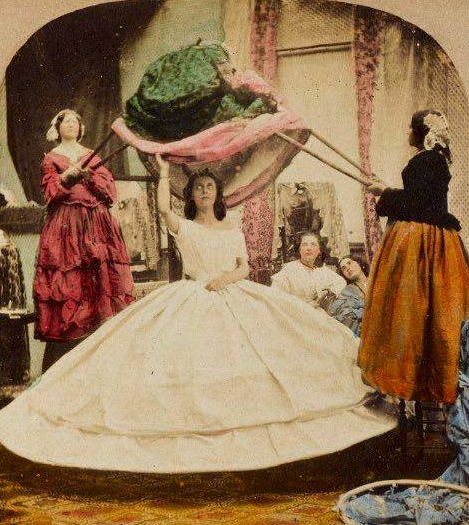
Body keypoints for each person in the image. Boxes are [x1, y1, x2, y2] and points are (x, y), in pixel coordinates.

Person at [0, 156, 395, 473]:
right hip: (193, 294)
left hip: (231, 291)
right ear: (191, 195)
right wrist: (164, 172)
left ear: (218, 194)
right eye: (199, 187)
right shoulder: (185, 227)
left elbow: (244, 267)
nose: (205, 191)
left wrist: (226, 279)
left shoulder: (232, 228)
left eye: (209, 187)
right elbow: (161, 208)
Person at [360, 109, 469, 404]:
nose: (408, 132)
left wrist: (385, 194)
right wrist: (387, 190)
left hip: (422, 243)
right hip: (431, 239)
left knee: (411, 309)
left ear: (422, 132)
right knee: (422, 310)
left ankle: (413, 383)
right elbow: (421, 198)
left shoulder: (428, 159)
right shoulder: (433, 159)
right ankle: (418, 383)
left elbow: (420, 205)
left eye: (411, 128)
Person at [34, 109, 134, 371]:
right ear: (57, 128)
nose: (70, 125)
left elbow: (109, 193)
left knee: (100, 284)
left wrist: (87, 176)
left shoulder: (92, 156)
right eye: (65, 121)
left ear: (81, 128)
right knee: (70, 283)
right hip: (66, 227)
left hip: (96, 225)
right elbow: (50, 193)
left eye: (74, 122)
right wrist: (66, 177)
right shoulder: (51, 158)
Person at [271, 232, 346, 310]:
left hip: (317, 312)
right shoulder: (290, 268)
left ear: (319, 250)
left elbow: (341, 282)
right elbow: (275, 294)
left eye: (313, 244)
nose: (309, 248)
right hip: (295, 312)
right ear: (299, 249)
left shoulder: (322, 270)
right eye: (304, 244)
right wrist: (302, 306)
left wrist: (327, 291)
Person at [330, 255, 369, 337]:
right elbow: (342, 318)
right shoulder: (346, 293)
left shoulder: (378, 280)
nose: (347, 268)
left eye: (349, 263)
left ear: (359, 263)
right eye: (344, 268)